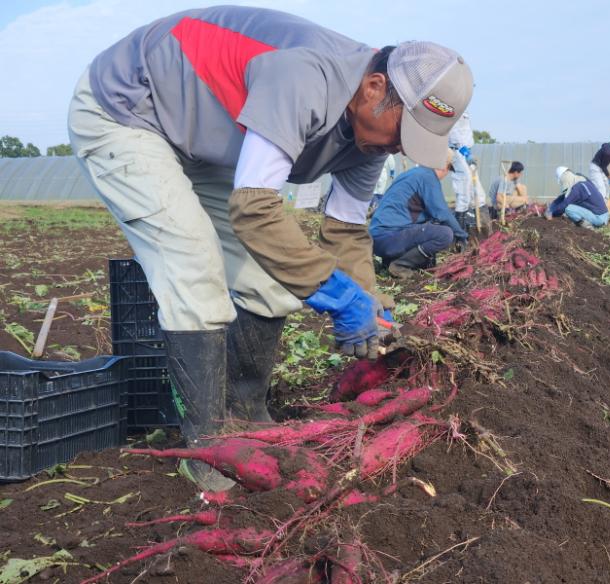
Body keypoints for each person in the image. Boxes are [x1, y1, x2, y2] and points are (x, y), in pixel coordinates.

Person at [67, 6, 473, 489]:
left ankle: (247, 412)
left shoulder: (369, 140)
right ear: (374, 88)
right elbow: (255, 210)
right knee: (194, 267)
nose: (398, 148)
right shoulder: (305, 78)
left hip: (203, 140)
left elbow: (344, 230)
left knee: (269, 283)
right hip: (130, 111)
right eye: (402, 132)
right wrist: (334, 295)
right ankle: (208, 447)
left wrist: (371, 304)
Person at [370, 159, 468, 279]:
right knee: (445, 234)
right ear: (444, 167)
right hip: (389, 237)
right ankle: (399, 265)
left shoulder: (413, 174)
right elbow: (442, 213)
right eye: (448, 170)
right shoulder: (428, 177)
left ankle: (390, 261)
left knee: (429, 231)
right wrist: (461, 235)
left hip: (378, 239)